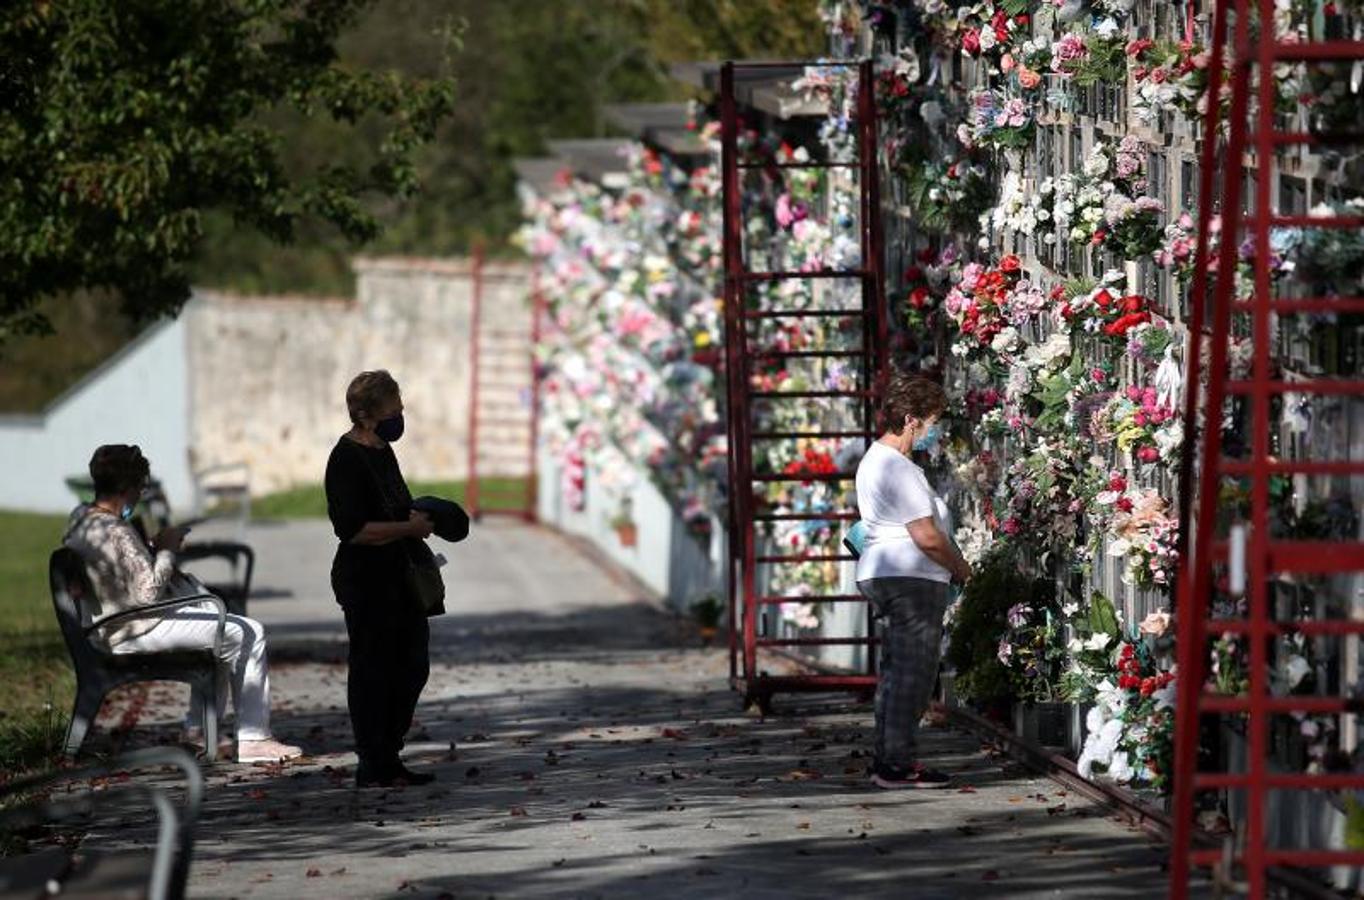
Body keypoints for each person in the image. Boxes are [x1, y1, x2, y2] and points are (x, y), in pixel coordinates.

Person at [63, 445, 303, 764]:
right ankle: (253, 738)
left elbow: (118, 571)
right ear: (126, 488)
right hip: (131, 627)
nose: (140, 495)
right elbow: (148, 592)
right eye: (140, 487)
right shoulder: (114, 531)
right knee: (248, 632)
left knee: (220, 627)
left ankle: (198, 730)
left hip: (113, 622)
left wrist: (148, 547)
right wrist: (165, 549)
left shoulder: (83, 519)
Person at [854, 373, 972, 789]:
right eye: (932, 421)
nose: (933, 430)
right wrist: (962, 570)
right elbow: (925, 535)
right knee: (914, 673)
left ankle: (888, 758)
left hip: (888, 573)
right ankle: (896, 765)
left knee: (896, 670)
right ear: (910, 420)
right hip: (910, 578)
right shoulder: (896, 467)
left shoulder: (875, 460)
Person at [325, 370, 437, 788]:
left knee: (412, 665)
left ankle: (389, 751)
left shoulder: (383, 450)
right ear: (369, 414)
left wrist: (425, 516)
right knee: (373, 669)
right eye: (394, 407)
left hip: (400, 576)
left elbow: (395, 504)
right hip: (365, 580)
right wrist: (407, 530)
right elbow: (354, 529)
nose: (400, 414)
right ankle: (373, 759)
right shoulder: (345, 459)